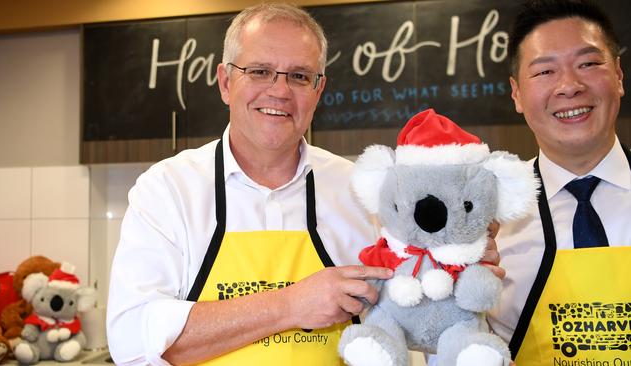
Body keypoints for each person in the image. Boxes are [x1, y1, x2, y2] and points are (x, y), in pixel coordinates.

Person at [107, 3, 501, 365]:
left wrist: (453, 269)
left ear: (318, 91)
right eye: (259, 71)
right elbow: (132, 339)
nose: (279, 91)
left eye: (299, 76)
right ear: (226, 82)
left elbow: (410, 321)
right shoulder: (167, 189)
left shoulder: (362, 192)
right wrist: (290, 305)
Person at [487, 0, 630, 363]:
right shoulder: (488, 218)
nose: (569, 86)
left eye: (588, 64)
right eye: (545, 72)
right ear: (516, 94)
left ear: (618, 76)